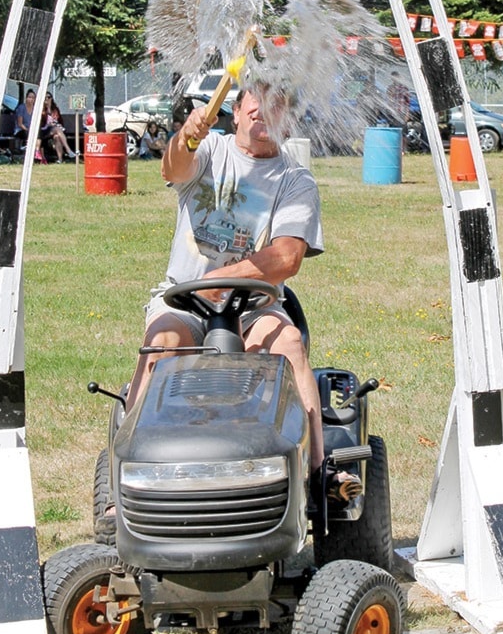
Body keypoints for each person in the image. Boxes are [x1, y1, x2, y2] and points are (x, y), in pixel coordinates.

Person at [126, 84, 360, 502]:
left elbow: (287, 257)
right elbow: (173, 168)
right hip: (184, 298)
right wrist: (185, 137)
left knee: (286, 343)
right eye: (256, 105)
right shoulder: (210, 152)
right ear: (236, 112)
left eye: (277, 108)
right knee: (161, 344)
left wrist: (225, 279)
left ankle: (317, 475)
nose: (264, 114)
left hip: (254, 305)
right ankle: (124, 480)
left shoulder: (295, 180)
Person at [40, 92, 76, 163]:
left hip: (55, 130)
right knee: (57, 129)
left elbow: (60, 121)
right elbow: (41, 123)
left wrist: (59, 125)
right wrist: (49, 124)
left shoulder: (55, 109)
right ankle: (68, 150)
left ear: (51, 99)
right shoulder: (41, 109)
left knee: (57, 137)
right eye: (45, 97)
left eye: (49, 97)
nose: (47, 99)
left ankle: (60, 159)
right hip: (44, 131)